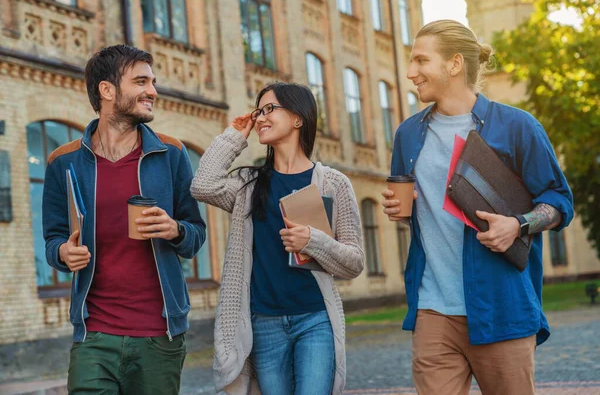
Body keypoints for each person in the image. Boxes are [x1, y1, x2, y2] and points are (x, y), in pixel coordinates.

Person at [381, 20, 574, 395]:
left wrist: (518, 225)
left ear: (454, 64)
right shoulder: (408, 134)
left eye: (421, 60)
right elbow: (417, 210)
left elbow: (559, 200)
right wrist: (401, 209)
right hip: (433, 309)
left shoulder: (517, 127)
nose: (410, 73)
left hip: (500, 306)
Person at [42, 44, 206, 394]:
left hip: (159, 334)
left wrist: (175, 229)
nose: (152, 91)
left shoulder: (170, 154)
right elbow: (53, 238)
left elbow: (196, 236)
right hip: (94, 333)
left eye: (153, 82)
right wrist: (62, 253)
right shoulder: (63, 161)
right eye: (141, 81)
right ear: (107, 90)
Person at [191, 82, 365, 394]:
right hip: (264, 323)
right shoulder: (249, 185)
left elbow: (353, 263)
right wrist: (234, 137)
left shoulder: (333, 184)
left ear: (299, 118)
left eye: (269, 109)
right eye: (259, 111)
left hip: (315, 320)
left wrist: (313, 240)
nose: (260, 118)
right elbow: (202, 185)